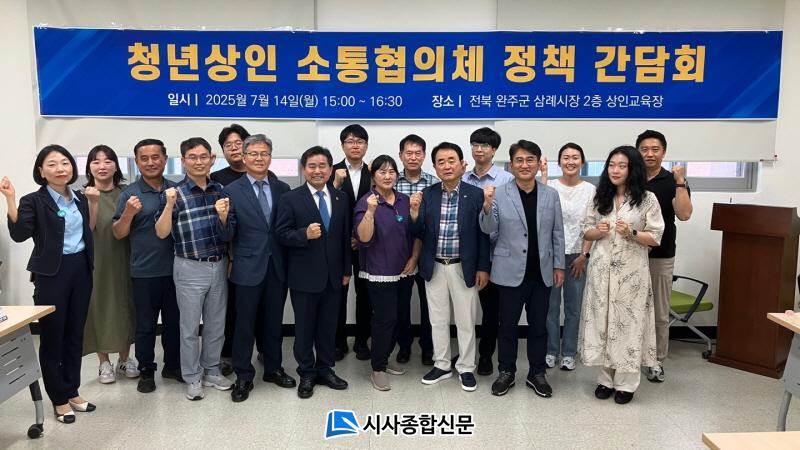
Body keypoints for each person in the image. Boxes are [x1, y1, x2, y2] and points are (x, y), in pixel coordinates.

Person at [2, 145, 99, 423]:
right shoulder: (34, 200)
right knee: (53, 336)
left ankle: (72, 390)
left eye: (65, 163)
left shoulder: (80, 197)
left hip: (81, 269)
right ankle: (58, 398)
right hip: (52, 274)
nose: (60, 169)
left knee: (75, 334)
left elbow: (89, 229)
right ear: (41, 171)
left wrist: (93, 203)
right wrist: (10, 199)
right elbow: (20, 234)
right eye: (52, 164)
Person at [479, 140, 565, 397]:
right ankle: (506, 371)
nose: (524, 165)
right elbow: (488, 229)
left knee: (539, 326)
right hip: (508, 272)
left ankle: (537, 373)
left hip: (542, 272)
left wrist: (559, 265)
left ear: (538, 164)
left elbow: (558, 233)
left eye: (530, 160)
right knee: (507, 326)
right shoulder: (499, 192)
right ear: (512, 164)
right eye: (519, 160)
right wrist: (486, 206)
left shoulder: (550, 195)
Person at [580, 145, 664, 405]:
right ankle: (605, 380)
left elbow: (656, 237)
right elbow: (585, 231)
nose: (615, 170)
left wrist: (632, 233)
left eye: (622, 166)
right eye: (611, 165)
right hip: (601, 271)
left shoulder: (647, 199)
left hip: (631, 274)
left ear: (633, 169)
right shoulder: (600, 196)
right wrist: (598, 230)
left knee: (628, 325)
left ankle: (626, 384)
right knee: (603, 323)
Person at [155, 137, 233, 401]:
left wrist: (223, 216)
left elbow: (228, 230)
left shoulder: (220, 190)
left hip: (218, 264)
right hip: (189, 266)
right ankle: (192, 376)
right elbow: (161, 232)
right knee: (189, 327)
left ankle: (212, 370)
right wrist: (168, 205)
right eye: (192, 157)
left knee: (216, 324)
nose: (199, 162)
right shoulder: (174, 193)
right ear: (183, 161)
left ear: (212, 159)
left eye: (203, 157)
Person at [410, 142, 490, 392]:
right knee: (437, 319)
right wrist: (414, 213)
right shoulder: (428, 194)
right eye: (441, 162)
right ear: (434, 167)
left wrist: (483, 267)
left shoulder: (475, 194)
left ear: (462, 164)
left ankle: (466, 367)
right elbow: (417, 231)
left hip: (463, 267)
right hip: (434, 266)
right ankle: (442, 364)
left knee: (466, 321)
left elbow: (483, 235)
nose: (446, 166)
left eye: (451, 160)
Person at [221, 134, 295, 403]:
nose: (259, 158)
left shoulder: (282, 188)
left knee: (273, 322)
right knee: (244, 324)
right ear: (244, 157)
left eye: (264, 153)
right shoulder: (231, 191)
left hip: (277, 266)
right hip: (247, 266)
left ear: (270, 157)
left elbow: (285, 227)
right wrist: (221, 218)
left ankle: (273, 369)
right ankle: (243, 375)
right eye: (253, 153)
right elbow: (226, 234)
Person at [275, 146, 351, 399]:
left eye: (322, 166)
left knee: (328, 327)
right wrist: (303, 234)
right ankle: (306, 373)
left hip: (334, 276)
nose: (317, 171)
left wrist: (347, 270)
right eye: (312, 166)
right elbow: (281, 234)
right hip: (304, 276)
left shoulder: (340, 198)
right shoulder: (290, 198)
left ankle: (325, 369)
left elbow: (344, 237)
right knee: (305, 329)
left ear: (330, 169)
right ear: (303, 169)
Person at [112, 139, 182, 393]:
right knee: (145, 326)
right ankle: (146, 370)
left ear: (165, 159)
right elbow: (118, 233)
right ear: (137, 162)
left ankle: (172, 366)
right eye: (144, 158)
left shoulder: (177, 189)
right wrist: (129, 213)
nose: (151, 162)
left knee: (175, 323)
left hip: (178, 270)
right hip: (144, 272)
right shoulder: (129, 194)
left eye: (156, 157)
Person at [353, 155, 417, 391]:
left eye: (391, 172)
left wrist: (414, 258)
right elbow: (363, 238)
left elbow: (414, 233)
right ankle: (377, 368)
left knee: (398, 317)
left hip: (404, 270)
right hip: (379, 271)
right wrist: (370, 212)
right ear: (373, 176)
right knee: (384, 319)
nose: (388, 176)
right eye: (382, 172)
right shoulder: (366, 202)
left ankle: (385, 357)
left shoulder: (404, 200)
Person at [636, 130, 693, 383]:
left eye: (655, 149)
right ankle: (631, 356)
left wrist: (680, 182)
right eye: (644, 149)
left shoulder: (673, 181)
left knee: (659, 312)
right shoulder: (630, 177)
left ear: (664, 152)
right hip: (631, 253)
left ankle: (656, 361)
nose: (649, 154)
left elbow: (684, 214)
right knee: (630, 309)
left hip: (661, 255)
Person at [82, 145, 138, 384]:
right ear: (89, 167)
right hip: (96, 260)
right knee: (98, 306)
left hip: (125, 257)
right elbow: (85, 229)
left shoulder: (127, 193)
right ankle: (103, 362)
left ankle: (125, 359)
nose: (102, 166)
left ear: (116, 165)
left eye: (107, 161)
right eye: (96, 161)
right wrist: (92, 202)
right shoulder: (82, 196)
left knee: (126, 304)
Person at [462, 127, 514, 376]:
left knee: (491, 311)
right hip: (467, 253)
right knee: (465, 307)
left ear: (494, 150)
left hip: (496, 254)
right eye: (475, 145)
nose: (479, 150)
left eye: (484, 145)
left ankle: (485, 356)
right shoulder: (463, 178)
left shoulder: (506, 180)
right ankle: (466, 353)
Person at [540, 143, 596, 371]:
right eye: (566, 157)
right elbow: (541, 212)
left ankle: (570, 353)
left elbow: (592, 224)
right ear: (559, 162)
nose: (570, 161)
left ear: (582, 162)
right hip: (552, 255)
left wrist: (584, 254)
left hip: (578, 256)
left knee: (574, 308)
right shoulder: (551, 186)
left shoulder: (591, 190)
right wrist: (544, 174)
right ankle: (551, 350)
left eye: (575, 157)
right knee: (550, 307)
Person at [211, 123, 251, 377]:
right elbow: (216, 220)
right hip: (229, 256)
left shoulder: (264, 175)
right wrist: (229, 256)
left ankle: (261, 350)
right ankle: (228, 355)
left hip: (256, 254)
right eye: (229, 145)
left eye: (239, 143)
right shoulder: (217, 180)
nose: (234, 148)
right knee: (231, 308)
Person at [330, 124, 372, 361]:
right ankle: (338, 341)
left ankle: (362, 341)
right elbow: (323, 205)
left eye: (360, 141)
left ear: (366, 145)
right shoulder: (331, 171)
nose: (355, 145)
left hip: (366, 244)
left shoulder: (374, 171)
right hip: (339, 244)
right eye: (350, 141)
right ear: (342, 145)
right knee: (338, 293)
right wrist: (335, 184)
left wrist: (360, 236)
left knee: (365, 294)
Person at [394, 134, 437, 366]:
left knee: (428, 302)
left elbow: (433, 221)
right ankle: (404, 345)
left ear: (424, 156)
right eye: (408, 153)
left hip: (428, 250)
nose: (413, 157)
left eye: (417, 153)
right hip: (399, 251)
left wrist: (416, 254)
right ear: (400, 155)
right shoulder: (391, 181)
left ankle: (428, 347)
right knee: (401, 303)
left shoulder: (433, 183)